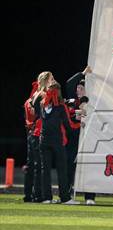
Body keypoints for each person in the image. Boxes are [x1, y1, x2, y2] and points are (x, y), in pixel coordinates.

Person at [33, 80, 78, 204]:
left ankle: (47, 198)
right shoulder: (60, 107)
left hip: (44, 141)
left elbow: (34, 106)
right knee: (62, 169)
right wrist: (79, 124)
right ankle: (65, 198)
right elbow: (68, 125)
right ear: (58, 92)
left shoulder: (42, 104)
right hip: (57, 141)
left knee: (45, 170)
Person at [65, 66, 96, 205]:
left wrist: (84, 113)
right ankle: (67, 194)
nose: (79, 90)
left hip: (87, 139)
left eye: (82, 88)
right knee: (69, 167)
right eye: (78, 87)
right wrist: (83, 73)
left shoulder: (92, 102)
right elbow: (69, 83)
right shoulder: (70, 101)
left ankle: (89, 197)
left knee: (87, 167)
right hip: (72, 139)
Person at [22, 81, 42, 202]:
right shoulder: (36, 101)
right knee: (37, 165)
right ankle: (37, 194)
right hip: (36, 133)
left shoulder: (28, 101)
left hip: (30, 133)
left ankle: (28, 194)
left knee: (30, 165)